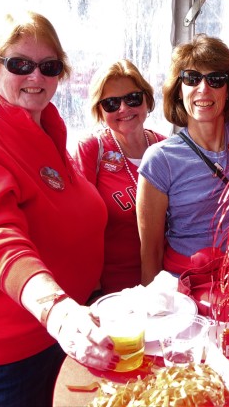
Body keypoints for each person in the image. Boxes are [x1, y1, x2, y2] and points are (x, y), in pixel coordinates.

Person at [0, 11, 118, 406]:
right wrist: (58, 312)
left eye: (49, 67)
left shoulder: (47, 135)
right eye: (20, 64)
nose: (36, 77)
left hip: (58, 335)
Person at [137, 34, 229, 285]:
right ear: (179, 90)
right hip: (188, 288)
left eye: (216, 79)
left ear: (228, 89)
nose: (204, 88)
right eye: (192, 78)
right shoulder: (160, 160)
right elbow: (151, 254)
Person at [74, 60, 165, 296]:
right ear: (99, 111)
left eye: (132, 98)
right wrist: (92, 292)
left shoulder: (166, 148)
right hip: (112, 292)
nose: (123, 109)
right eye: (111, 103)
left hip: (165, 285)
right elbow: (79, 227)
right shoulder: (92, 149)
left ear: (147, 99)